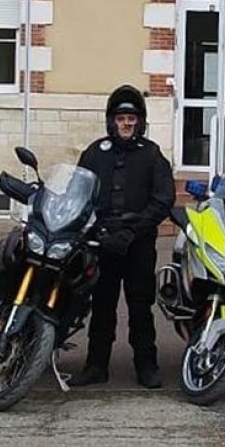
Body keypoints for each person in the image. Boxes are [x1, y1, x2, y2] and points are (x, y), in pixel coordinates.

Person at [68, 85, 174, 389]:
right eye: (120, 118)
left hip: (138, 243)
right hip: (102, 243)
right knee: (102, 306)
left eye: (131, 118)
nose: (126, 123)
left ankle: (147, 366)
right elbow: (78, 194)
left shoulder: (152, 155)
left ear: (140, 122)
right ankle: (95, 366)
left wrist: (133, 230)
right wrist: (97, 231)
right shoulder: (94, 152)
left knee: (141, 306)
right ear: (111, 121)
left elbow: (162, 199)